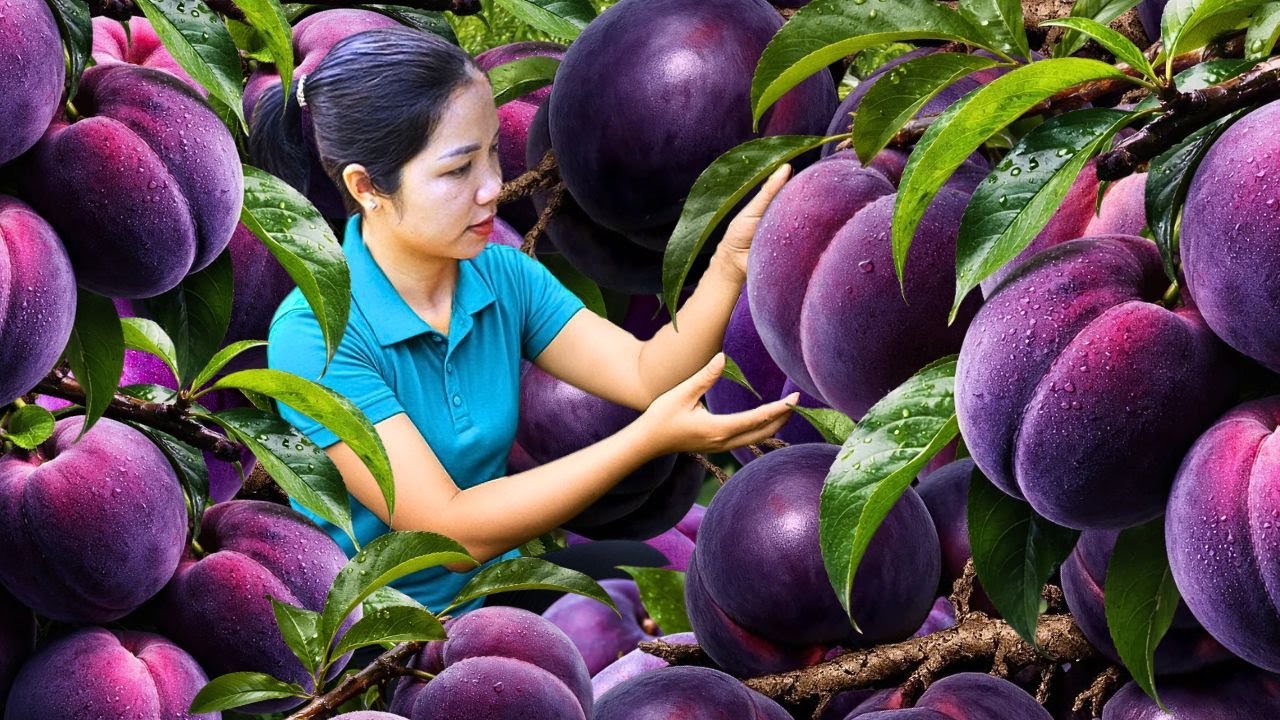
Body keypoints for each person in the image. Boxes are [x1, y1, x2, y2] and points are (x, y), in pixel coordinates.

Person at [265, 26, 797, 616]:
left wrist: (729, 262)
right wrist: (648, 439)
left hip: (493, 612)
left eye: (492, 151)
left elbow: (647, 374)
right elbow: (447, 537)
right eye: (457, 170)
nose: (494, 187)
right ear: (368, 188)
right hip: (369, 647)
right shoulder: (318, 332)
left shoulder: (501, 277)